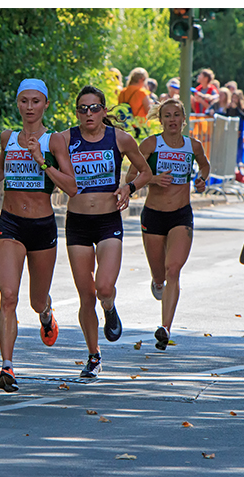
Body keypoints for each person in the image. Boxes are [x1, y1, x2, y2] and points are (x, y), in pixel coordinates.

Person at [0, 79, 78, 392]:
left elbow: (72, 187)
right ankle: (6, 366)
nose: (30, 107)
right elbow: (1, 168)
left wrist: (41, 160)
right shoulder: (8, 136)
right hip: (10, 224)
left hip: (42, 226)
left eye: (36, 101)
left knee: (35, 301)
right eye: (24, 101)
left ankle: (46, 314)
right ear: (18, 104)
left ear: (45, 104)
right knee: (8, 296)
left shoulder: (55, 141)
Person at [56, 85, 154, 378]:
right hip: (77, 222)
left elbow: (145, 171)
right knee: (86, 295)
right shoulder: (64, 139)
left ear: (104, 111)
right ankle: (93, 355)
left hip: (108, 222)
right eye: (82, 109)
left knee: (103, 288)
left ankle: (109, 307)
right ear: (76, 112)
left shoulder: (119, 138)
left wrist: (129, 186)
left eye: (94, 108)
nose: (88, 114)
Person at [119, 98, 209, 351]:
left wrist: (201, 179)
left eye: (176, 115)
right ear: (161, 120)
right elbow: (130, 176)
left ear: (183, 119)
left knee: (173, 270)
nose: (172, 120)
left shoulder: (193, 145)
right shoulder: (150, 144)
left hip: (181, 215)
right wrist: (153, 179)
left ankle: (165, 327)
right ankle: (156, 283)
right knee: (160, 275)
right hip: (154, 215)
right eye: (167, 115)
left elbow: (204, 164)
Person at [117, 68, 152, 134]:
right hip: (140, 127)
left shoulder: (122, 92)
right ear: (142, 79)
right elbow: (149, 111)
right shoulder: (142, 93)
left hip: (125, 127)